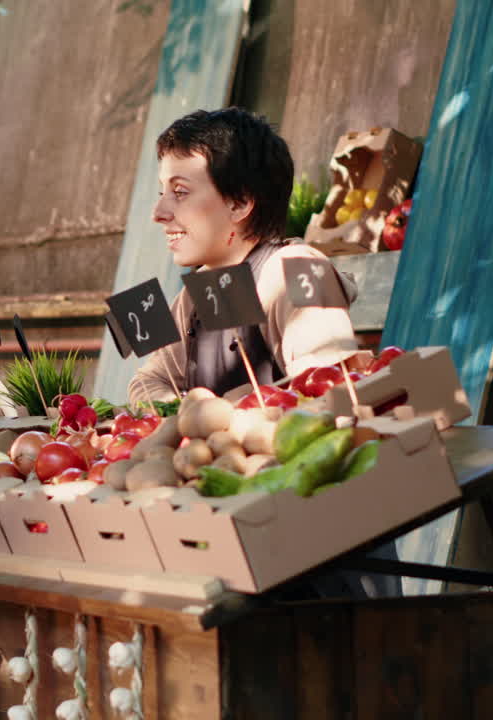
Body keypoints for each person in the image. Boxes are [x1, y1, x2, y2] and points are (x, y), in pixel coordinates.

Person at [130, 109, 399, 599]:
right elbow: (146, 381)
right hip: (236, 543)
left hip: (314, 564)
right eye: (163, 192)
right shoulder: (193, 297)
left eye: (181, 193)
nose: (159, 212)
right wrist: (189, 422)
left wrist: (215, 421)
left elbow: (327, 400)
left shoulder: (296, 268)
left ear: (240, 203)